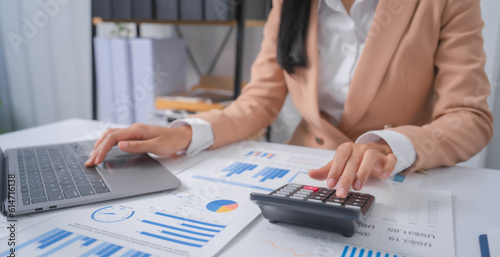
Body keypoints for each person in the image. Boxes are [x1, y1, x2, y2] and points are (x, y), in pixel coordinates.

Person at [86, 0, 493, 198]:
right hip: (306, 172)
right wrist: (186, 133)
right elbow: (260, 99)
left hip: (393, 178)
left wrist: (392, 145)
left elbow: (469, 115)